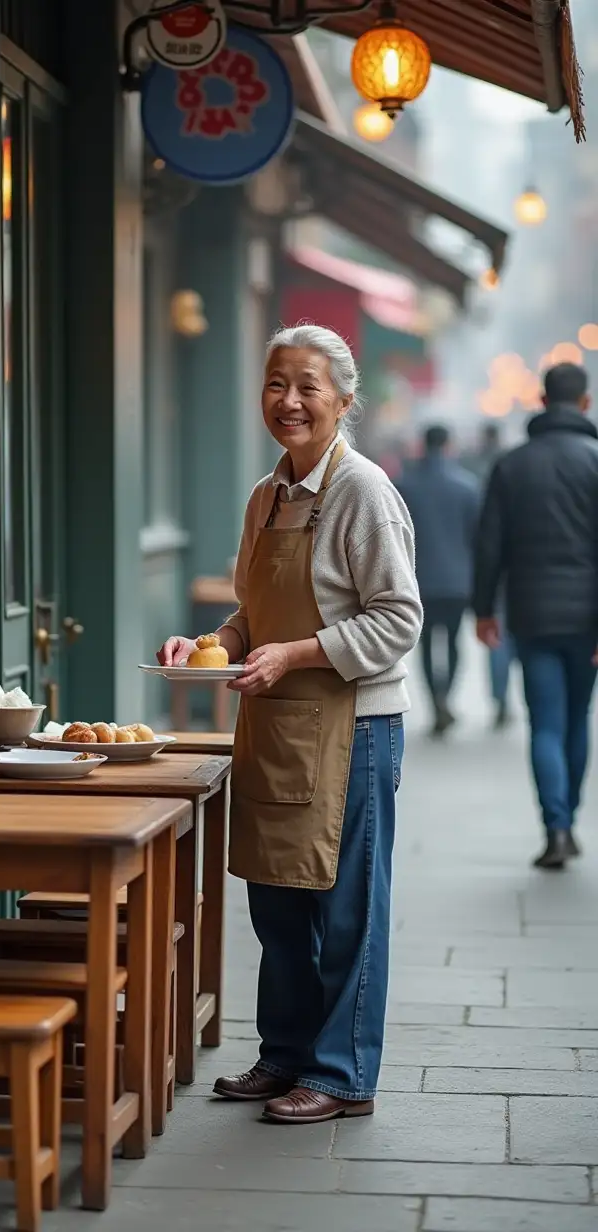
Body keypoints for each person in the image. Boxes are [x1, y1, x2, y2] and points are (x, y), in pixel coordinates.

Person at [158, 324, 422, 1124]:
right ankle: (286, 1055)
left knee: (345, 910)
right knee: (277, 904)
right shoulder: (266, 495)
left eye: (309, 386)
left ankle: (341, 1075)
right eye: (277, 383)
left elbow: (399, 617)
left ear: (344, 399)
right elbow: (252, 609)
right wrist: (210, 644)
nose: (290, 401)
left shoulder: (363, 492)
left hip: (354, 730)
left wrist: (297, 652)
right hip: (277, 728)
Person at [474, 362, 598, 870]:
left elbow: (488, 545)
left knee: (544, 721)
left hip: (531, 614)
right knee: (577, 719)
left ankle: (556, 826)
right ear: (585, 403)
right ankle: (569, 814)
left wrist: (483, 609)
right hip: (588, 619)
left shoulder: (512, 464)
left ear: (542, 402)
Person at [396, 425, 481, 735]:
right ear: (448, 446)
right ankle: (446, 697)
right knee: (455, 642)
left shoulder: (405, 485)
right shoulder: (467, 486)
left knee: (428, 642)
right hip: (458, 581)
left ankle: (436, 701)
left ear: (423, 445)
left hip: (419, 581)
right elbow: (477, 538)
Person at [463, 423, 515, 728]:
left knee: (500, 639)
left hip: (500, 568)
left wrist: (481, 605)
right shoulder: (513, 466)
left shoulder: (473, 466)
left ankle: (500, 699)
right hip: (524, 569)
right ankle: (502, 700)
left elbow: (486, 540)